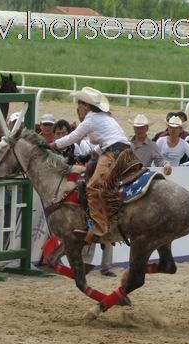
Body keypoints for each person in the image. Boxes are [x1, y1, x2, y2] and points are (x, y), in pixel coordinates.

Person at [49, 87, 130, 238]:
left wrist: (52, 145)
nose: (77, 108)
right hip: (125, 152)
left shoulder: (91, 118)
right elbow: (109, 140)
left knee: (93, 186)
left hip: (114, 152)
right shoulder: (106, 117)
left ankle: (99, 228)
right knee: (96, 173)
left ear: (85, 106)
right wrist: (90, 155)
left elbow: (72, 137)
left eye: (79, 104)